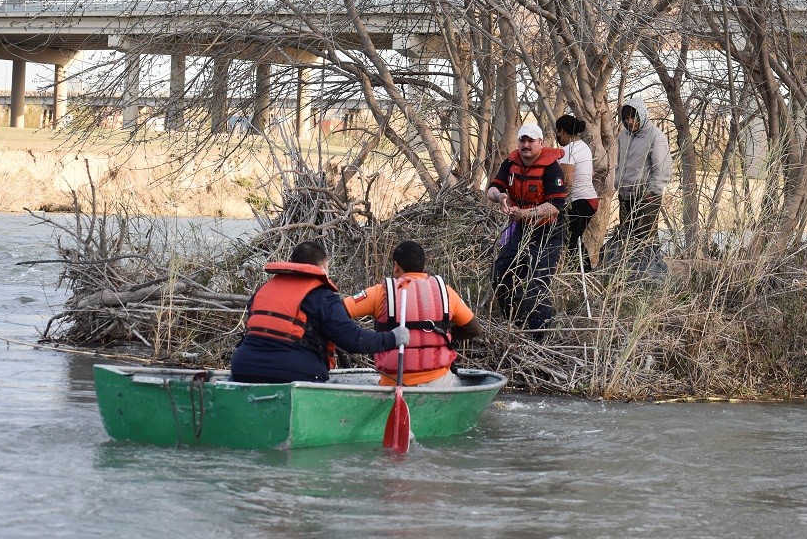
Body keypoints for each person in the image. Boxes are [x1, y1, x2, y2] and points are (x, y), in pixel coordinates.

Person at [230, 241, 410, 384]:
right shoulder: (323, 297)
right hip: (293, 373)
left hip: (242, 367)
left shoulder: (264, 290)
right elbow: (354, 340)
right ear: (322, 269)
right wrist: (392, 338)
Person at [343, 240, 483, 387]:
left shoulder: (381, 293)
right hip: (440, 382)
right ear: (423, 267)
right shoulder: (446, 292)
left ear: (396, 266)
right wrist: (443, 334)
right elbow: (475, 329)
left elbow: (336, 311)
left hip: (393, 383)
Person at [487, 122, 567, 332]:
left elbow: (556, 206)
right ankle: (515, 324)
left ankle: (542, 338)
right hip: (522, 231)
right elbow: (492, 189)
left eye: (531, 141)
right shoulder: (510, 162)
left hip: (549, 233)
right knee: (500, 274)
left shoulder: (552, 168)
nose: (526, 145)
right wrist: (500, 196)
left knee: (535, 286)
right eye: (522, 140)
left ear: (540, 143)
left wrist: (525, 213)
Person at [615, 96, 672, 247]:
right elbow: (617, 161)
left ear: (642, 115)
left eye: (634, 117)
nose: (630, 121)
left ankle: (651, 270)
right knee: (627, 240)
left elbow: (662, 167)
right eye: (626, 118)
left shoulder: (655, 135)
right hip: (625, 195)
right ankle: (628, 271)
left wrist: (653, 192)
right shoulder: (623, 135)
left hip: (646, 197)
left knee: (646, 241)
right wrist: (617, 183)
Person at [556, 114, 599, 271]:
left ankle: (583, 274)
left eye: (557, 132)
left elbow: (567, 181)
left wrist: (557, 201)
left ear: (562, 131)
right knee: (575, 240)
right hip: (590, 199)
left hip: (579, 201)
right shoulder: (583, 146)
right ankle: (582, 274)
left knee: (571, 241)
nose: (557, 136)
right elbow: (591, 173)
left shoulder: (567, 150)